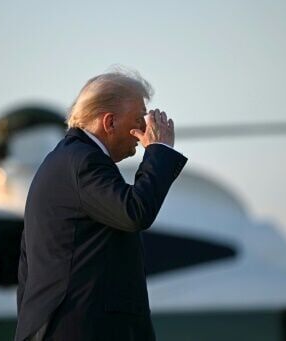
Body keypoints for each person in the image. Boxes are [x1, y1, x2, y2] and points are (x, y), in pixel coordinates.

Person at [15, 70, 187, 341]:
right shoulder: (83, 161)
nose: (142, 133)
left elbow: (27, 269)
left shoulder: (63, 160)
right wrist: (160, 151)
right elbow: (134, 212)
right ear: (109, 122)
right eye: (138, 120)